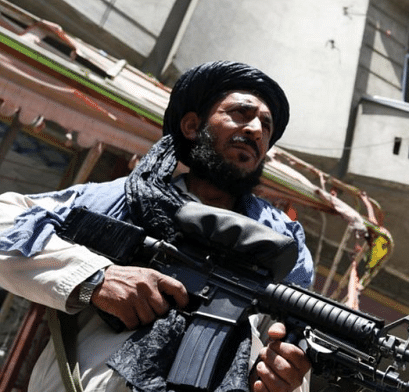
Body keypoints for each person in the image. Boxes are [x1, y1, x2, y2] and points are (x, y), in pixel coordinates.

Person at [0, 61, 314, 392]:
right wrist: (96, 277)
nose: (256, 130)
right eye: (241, 113)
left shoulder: (280, 242)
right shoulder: (125, 200)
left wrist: (285, 378)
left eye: (266, 125)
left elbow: (291, 344)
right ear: (192, 126)